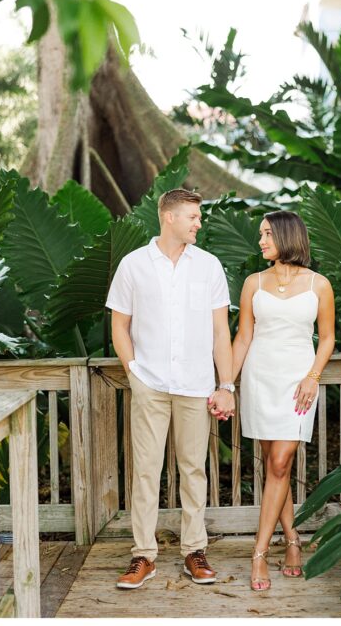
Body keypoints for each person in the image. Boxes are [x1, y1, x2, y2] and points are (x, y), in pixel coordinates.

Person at [107, 188, 235, 589]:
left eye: (199, 217)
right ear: (169, 218)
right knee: (145, 471)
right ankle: (143, 555)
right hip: (150, 384)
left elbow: (220, 331)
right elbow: (119, 326)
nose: (199, 223)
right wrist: (134, 373)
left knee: (193, 469)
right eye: (193, 217)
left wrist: (226, 384)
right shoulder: (133, 265)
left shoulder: (209, 266)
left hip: (197, 386)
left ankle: (194, 551)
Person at [216, 210, 335, 591]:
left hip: (298, 381)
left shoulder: (320, 285)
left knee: (281, 462)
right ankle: (294, 540)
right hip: (259, 377)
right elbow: (243, 338)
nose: (261, 241)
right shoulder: (253, 282)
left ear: (287, 237)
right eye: (261, 235)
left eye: (267, 234)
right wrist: (227, 385)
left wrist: (312, 377)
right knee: (274, 466)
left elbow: (328, 338)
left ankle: (259, 553)